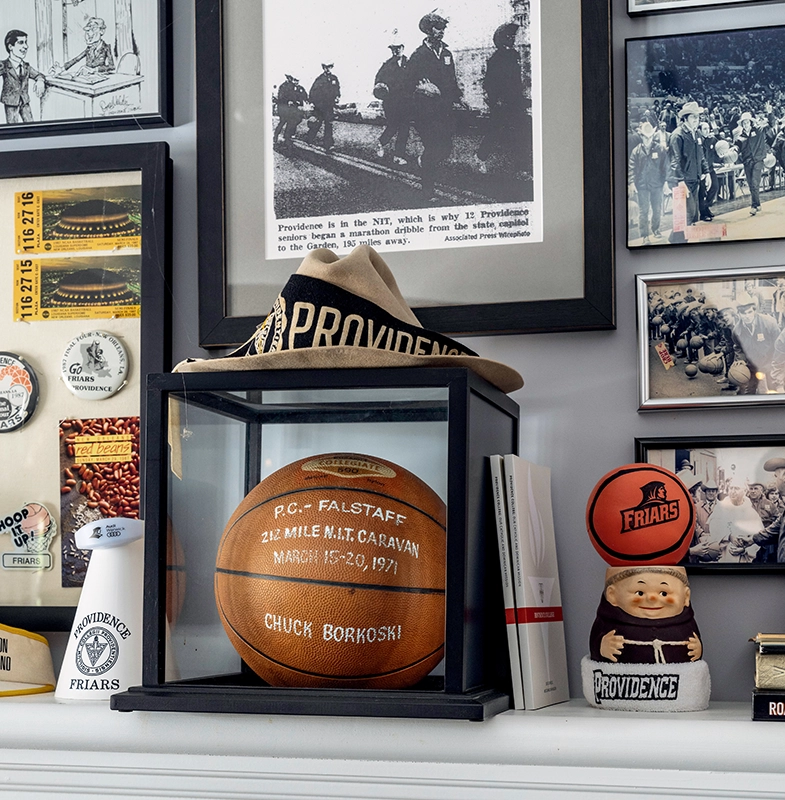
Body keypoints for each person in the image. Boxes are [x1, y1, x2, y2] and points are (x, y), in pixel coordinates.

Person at [590, 566, 702, 665]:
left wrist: (697, 648)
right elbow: (595, 644)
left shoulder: (685, 623)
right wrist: (602, 647)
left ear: (686, 597)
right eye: (640, 593)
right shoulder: (608, 621)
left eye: (664, 593)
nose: (652, 598)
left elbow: (695, 643)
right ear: (612, 595)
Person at [407, 11, 462, 202]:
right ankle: (428, 191)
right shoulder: (418, 55)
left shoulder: (446, 53)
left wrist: (459, 97)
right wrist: (420, 87)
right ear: (429, 30)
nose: (442, 32)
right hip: (426, 110)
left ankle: (424, 162)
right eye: (439, 28)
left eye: (444, 28)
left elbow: (452, 80)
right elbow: (408, 82)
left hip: (445, 109)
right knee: (432, 147)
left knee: (445, 148)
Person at [475, 22, 531, 178]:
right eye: (509, 36)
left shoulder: (514, 55)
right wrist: (495, 101)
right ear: (501, 40)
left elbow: (516, 80)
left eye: (513, 36)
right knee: (495, 132)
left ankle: (522, 169)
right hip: (501, 103)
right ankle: (480, 157)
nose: (512, 39)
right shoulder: (496, 58)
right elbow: (489, 83)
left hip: (515, 101)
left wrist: (522, 98)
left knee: (523, 133)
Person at [667, 101, 710, 241]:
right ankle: (678, 242)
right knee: (687, 213)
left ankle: (676, 240)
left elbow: (701, 155)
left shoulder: (696, 134)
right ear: (684, 119)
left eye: (697, 117)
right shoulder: (677, 135)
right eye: (693, 117)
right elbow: (675, 161)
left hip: (694, 178)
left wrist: (707, 172)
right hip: (680, 180)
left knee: (688, 214)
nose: (696, 120)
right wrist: (680, 182)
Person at [730, 292, 780, 394]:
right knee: (747, 392)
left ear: (754, 311)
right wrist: (740, 359)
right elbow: (738, 347)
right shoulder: (737, 330)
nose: (747, 316)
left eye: (749, 312)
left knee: (772, 392)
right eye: (743, 313)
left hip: (770, 362)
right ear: (739, 314)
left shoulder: (769, 323)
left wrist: (774, 365)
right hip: (752, 364)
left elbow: (779, 346)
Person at [628, 120, 668, 245]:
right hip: (642, 186)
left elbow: (665, 167)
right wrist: (631, 183)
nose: (647, 139)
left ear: (653, 136)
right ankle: (645, 235)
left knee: (657, 209)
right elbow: (631, 168)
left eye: (649, 136)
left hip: (657, 185)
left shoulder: (660, 149)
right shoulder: (636, 151)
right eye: (645, 136)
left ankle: (656, 229)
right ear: (641, 136)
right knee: (643, 211)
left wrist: (666, 182)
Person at [705, 477, 761, 563]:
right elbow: (713, 528)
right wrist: (729, 536)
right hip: (723, 556)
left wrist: (745, 550)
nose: (733, 491)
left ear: (745, 491)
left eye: (737, 488)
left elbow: (759, 537)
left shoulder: (751, 513)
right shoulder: (720, 508)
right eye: (731, 488)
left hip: (742, 560)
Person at [373, 41, 410, 165]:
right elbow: (378, 82)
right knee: (393, 125)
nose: (396, 50)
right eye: (393, 48)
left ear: (403, 48)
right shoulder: (387, 65)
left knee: (405, 127)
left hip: (405, 101)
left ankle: (398, 156)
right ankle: (381, 142)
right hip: (391, 102)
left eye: (398, 48)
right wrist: (381, 88)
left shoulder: (409, 63)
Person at [0, 30, 45, 124]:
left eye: (26, 42)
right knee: (13, 128)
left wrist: (40, 80)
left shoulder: (26, 66)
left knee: (31, 125)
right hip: (11, 103)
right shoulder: (3, 65)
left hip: (25, 102)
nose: (26, 46)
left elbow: (38, 75)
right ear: (10, 46)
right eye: (21, 43)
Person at [734, 110, 772, 216]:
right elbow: (737, 147)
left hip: (758, 161)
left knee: (755, 183)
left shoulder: (759, 130)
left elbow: (770, 124)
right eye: (744, 123)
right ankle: (758, 204)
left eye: (747, 122)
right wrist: (733, 150)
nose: (746, 124)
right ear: (742, 124)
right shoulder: (740, 137)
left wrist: (769, 112)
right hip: (747, 162)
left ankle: (753, 206)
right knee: (751, 185)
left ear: (751, 122)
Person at [305, 63, 341, 152]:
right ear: (323, 68)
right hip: (320, 106)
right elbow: (312, 91)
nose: (328, 69)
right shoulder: (319, 79)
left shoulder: (334, 78)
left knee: (329, 124)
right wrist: (313, 102)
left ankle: (328, 145)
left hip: (329, 106)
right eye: (326, 67)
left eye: (329, 67)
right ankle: (309, 138)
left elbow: (337, 89)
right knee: (317, 124)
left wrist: (337, 97)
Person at [274, 74, 308, 150]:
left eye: (296, 80)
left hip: (291, 109)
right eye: (292, 79)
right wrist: (287, 101)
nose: (294, 81)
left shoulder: (295, 87)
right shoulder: (283, 86)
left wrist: (306, 101)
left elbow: (302, 95)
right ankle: (276, 135)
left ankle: (287, 137)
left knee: (292, 121)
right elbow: (281, 97)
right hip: (283, 108)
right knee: (282, 122)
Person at [698, 121, 718, 222]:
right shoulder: (697, 141)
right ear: (700, 131)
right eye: (704, 129)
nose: (707, 131)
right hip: (701, 171)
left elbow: (719, 149)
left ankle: (706, 206)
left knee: (715, 187)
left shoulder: (712, 140)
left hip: (710, 168)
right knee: (702, 192)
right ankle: (703, 213)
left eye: (708, 128)